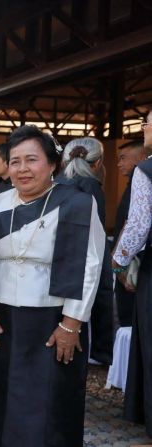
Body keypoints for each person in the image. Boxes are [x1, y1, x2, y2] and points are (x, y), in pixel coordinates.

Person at [0, 125, 104, 447]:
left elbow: (90, 264)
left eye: (31, 160)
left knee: (49, 402)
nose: (22, 169)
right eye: (15, 161)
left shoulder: (77, 203)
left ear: (52, 164)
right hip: (2, 316)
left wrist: (72, 323)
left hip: (53, 318)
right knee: (3, 396)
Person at [113, 109, 152, 438]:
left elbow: (138, 225)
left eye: (147, 123)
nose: (144, 128)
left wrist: (119, 262)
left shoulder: (146, 170)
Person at [62, 137, 113, 365]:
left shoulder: (57, 184)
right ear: (98, 162)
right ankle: (95, 353)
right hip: (86, 256)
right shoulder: (92, 187)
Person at [113, 139, 146, 326]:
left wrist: (118, 261)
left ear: (141, 158)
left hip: (134, 260)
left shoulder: (142, 180)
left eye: (123, 158)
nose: (119, 164)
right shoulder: (132, 182)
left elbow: (133, 224)